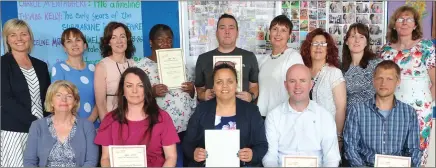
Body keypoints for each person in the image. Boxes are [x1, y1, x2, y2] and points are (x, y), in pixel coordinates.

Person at [379, 6, 435, 165]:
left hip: (419, 111)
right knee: (392, 154)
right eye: (400, 19)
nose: (404, 23)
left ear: (415, 24)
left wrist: (424, 105)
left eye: (409, 19)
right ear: (394, 24)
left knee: (417, 154)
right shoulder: (385, 51)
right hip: (390, 110)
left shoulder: (426, 47)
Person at [183, 63, 268, 167]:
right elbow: (187, 143)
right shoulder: (201, 110)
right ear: (213, 86)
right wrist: (194, 153)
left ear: (236, 84)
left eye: (230, 81)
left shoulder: (251, 111)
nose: (225, 86)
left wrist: (252, 155)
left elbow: (262, 145)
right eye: (219, 82)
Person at [135, 24, 196, 166]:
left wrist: (192, 90)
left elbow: (194, 94)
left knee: (183, 161)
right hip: (157, 128)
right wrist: (151, 93)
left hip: (184, 127)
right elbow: (134, 96)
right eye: (160, 40)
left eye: (169, 40)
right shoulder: (141, 67)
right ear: (151, 42)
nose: (165, 43)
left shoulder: (181, 63)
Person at [94, 67, 179, 167]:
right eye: (129, 86)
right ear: (123, 90)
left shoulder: (162, 118)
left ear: (146, 89)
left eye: (140, 85)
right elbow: (105, 158)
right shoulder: (110, 119)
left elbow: (171, 157)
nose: (134, 91)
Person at [343, 60, 422, 167]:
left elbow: (414, 150)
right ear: (373, 80)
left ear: (398, 81)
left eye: (389, 79)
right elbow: (351, 149)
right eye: (380, 78)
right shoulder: (357, 111)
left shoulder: (409, 113)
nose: (383, 83)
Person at [262, 64, 340, 167]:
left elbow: (331, 158)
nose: (297, 86)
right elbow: (270, 156)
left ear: (311, 84)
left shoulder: (325, 116)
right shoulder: (273, 116)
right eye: (292, 81)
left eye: (302, 81)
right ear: (286, 85)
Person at [1, 19, 51, 167]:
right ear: (7, 39)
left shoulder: (41, 66)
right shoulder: (2, 64)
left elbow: (48, 98)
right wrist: (34, 122)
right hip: (13, 130)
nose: (19, 39)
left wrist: (47, 124)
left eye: (23, 34)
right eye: (13, 35)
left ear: (30, 37)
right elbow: (5, 99)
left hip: (41, 131)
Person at [23, 80, 99, 167]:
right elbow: (29, 161)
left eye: (69, 96)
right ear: (51, 101)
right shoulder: (37, 126)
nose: (64, 99)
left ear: (75, 102)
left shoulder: (87, 126)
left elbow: (91, 161)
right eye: (58, 95)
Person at [195, 14, 259, 103]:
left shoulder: (249, 57)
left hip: (242, 111)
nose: (227, 31)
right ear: (217, 33)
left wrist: (251, 96)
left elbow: (254, 86)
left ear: (237, 32)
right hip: (213, 112)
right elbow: (199, 89)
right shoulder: (203, 59)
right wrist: (203, 95)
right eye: (222, 28)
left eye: (231, 28)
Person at [300, 28, 347, 149]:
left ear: (328, 49)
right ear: (308, 48)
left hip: (327, 134)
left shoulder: (334, 73)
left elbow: (341, 108)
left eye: (323, 44)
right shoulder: (302, 71)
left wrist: (338, 136)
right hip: (303, 132)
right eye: (315, 44)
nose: (318, 47)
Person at [51, 28, 99, 128]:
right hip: (68, 127)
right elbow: (57, 100)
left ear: (85, 45)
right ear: (64, 47)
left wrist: (89, 122)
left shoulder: (95, 69)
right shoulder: (59, 68)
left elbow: (100, 99)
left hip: (94, 126)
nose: (74, 44)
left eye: (78, 40)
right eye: (69, 41)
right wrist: (76, 125)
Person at [257, 15, 304, 118]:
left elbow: (299, 91)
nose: (278, 34)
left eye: (283, 30)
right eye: (275, 29)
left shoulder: (293, 57)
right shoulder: (264, 60)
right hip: (261, 116)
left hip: (283, 117)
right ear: (269, 32)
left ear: (289, 35)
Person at [94, 22, 136, 121]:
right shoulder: (102, 66)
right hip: (112, 120)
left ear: (127, 39)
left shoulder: (135, 64)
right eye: (114, 37)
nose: (119, 41)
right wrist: (107, 126)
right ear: (108, 42)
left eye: (122, 36)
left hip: (134, 119)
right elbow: (101, 103)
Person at [342, 23, 381, 107]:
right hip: (350, 116)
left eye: (361, 37)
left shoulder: (377, 65)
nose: (357, 40)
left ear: (366, 42)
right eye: (353, 36)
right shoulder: (341, 69)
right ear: (346, 41)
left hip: (372, 115)